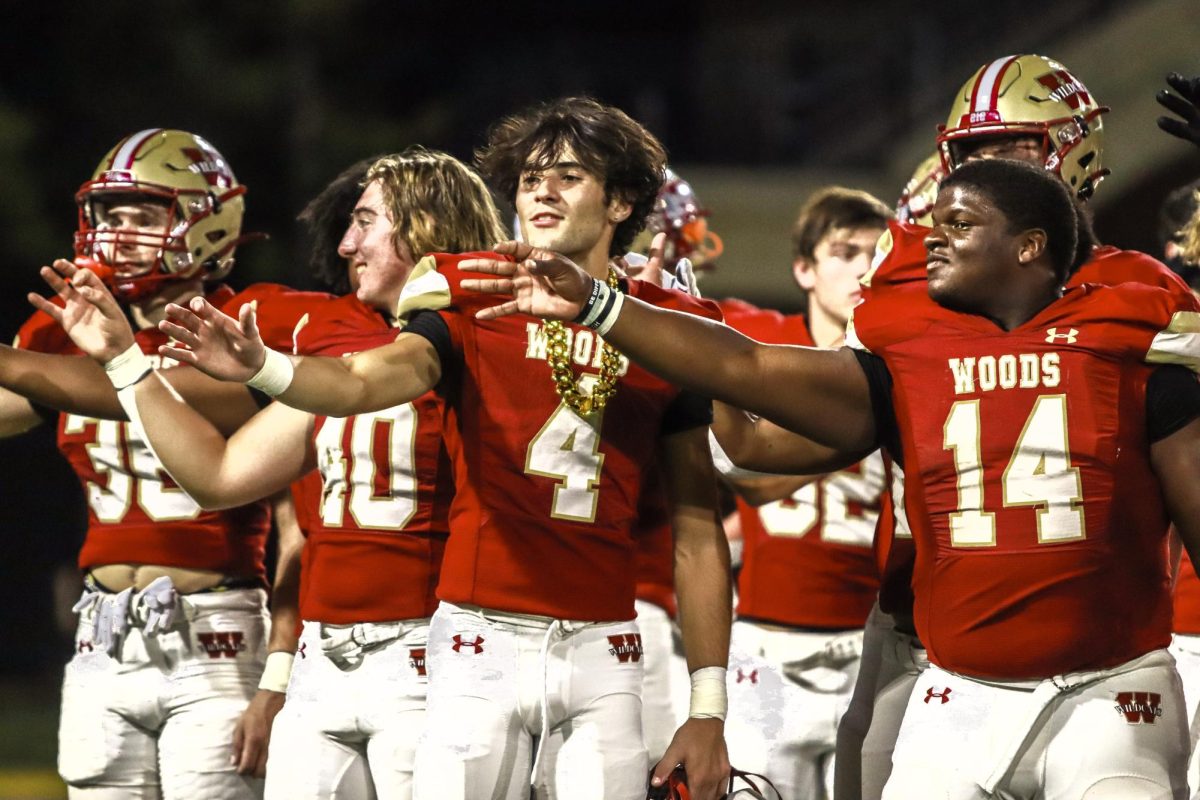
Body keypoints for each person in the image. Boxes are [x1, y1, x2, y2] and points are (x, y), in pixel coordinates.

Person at [56, 98, 734, 800]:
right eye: (530, 178)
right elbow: (356, 381)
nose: (540, 192)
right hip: (470, 643)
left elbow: (702, 517)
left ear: (621, 200)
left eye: (566, 176)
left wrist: (709, 708)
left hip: (600, 646)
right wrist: (252, 367)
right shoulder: (463, 295)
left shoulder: (669, 324)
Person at [460, 157, 1200, 798]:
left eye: (960, 224)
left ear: (1030, 246)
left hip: (1111, 688)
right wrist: (602, 304)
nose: (929, 239)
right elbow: (746, 383)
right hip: (962, 687)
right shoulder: (911, 351)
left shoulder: (1133, 328)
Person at [38, 148, 506, 799]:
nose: (344, 246)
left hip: (435, 646)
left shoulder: (485, 340)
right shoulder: (329, 334)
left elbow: (358, 385)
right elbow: (222, 475)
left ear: (426, 224)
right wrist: (123, 358)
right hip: (322, 661)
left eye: (365, 221)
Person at [4, 128, 331, 798]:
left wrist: (278, 677)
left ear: (206, 225)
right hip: (100, 640)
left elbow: (298, 527)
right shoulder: (67, 333)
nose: (119, 234)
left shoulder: (244, 332)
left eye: (144, 217)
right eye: (109, 216)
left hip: (217, 638)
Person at [709, 186, 889, 800]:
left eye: (875, 251)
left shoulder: (903, 357)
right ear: (804, 269)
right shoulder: (758, 340)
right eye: (844, 251)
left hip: (872, 640)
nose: (864, 267)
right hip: (768, 645)